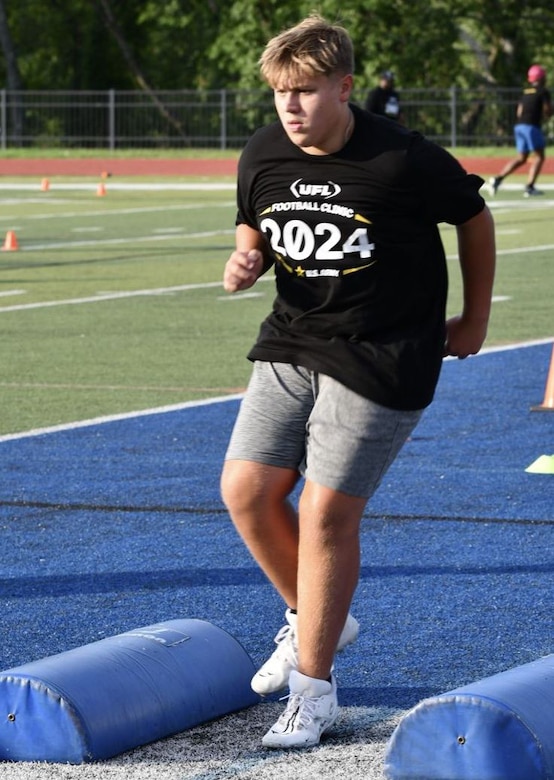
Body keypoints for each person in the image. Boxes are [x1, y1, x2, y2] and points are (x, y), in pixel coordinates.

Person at [221, 14, 495, 750]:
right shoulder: (263, 152)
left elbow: (473, 216)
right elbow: (254, 222)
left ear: (344, 87)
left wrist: (471, 318)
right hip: (293, 338)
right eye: (280, 92)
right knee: (245, 492)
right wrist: (244, 259)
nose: (290, 105)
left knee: (325, 515)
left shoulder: (402, 159)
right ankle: (321, 621)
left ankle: (314, 692)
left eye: (306, 91)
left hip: (385, 352)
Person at [488, 65, 552, 197]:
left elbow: (519, 112)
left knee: (522, 158)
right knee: (540, 156)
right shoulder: (543, 91)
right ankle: (530, 187)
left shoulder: (525, 92)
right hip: (531, 126)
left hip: (519, 126)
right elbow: (548, 111)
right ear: (542, 78)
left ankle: (497, 179)